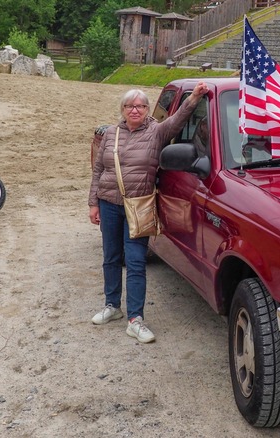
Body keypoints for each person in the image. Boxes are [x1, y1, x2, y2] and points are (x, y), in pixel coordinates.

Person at [88, 83, 209, 343]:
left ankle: (135, 319)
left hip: (139, 206)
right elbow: (98, 171)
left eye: (141, 105)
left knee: (135, 261)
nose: (135, 110)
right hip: (108, 203)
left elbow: (177, 120)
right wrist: (93, 204)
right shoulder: (110, 134)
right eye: (130, 106)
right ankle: (112, 306)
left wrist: (195, 98)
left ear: (146, 109)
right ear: (122, 109)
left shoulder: (156, 132)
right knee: (110, 257)